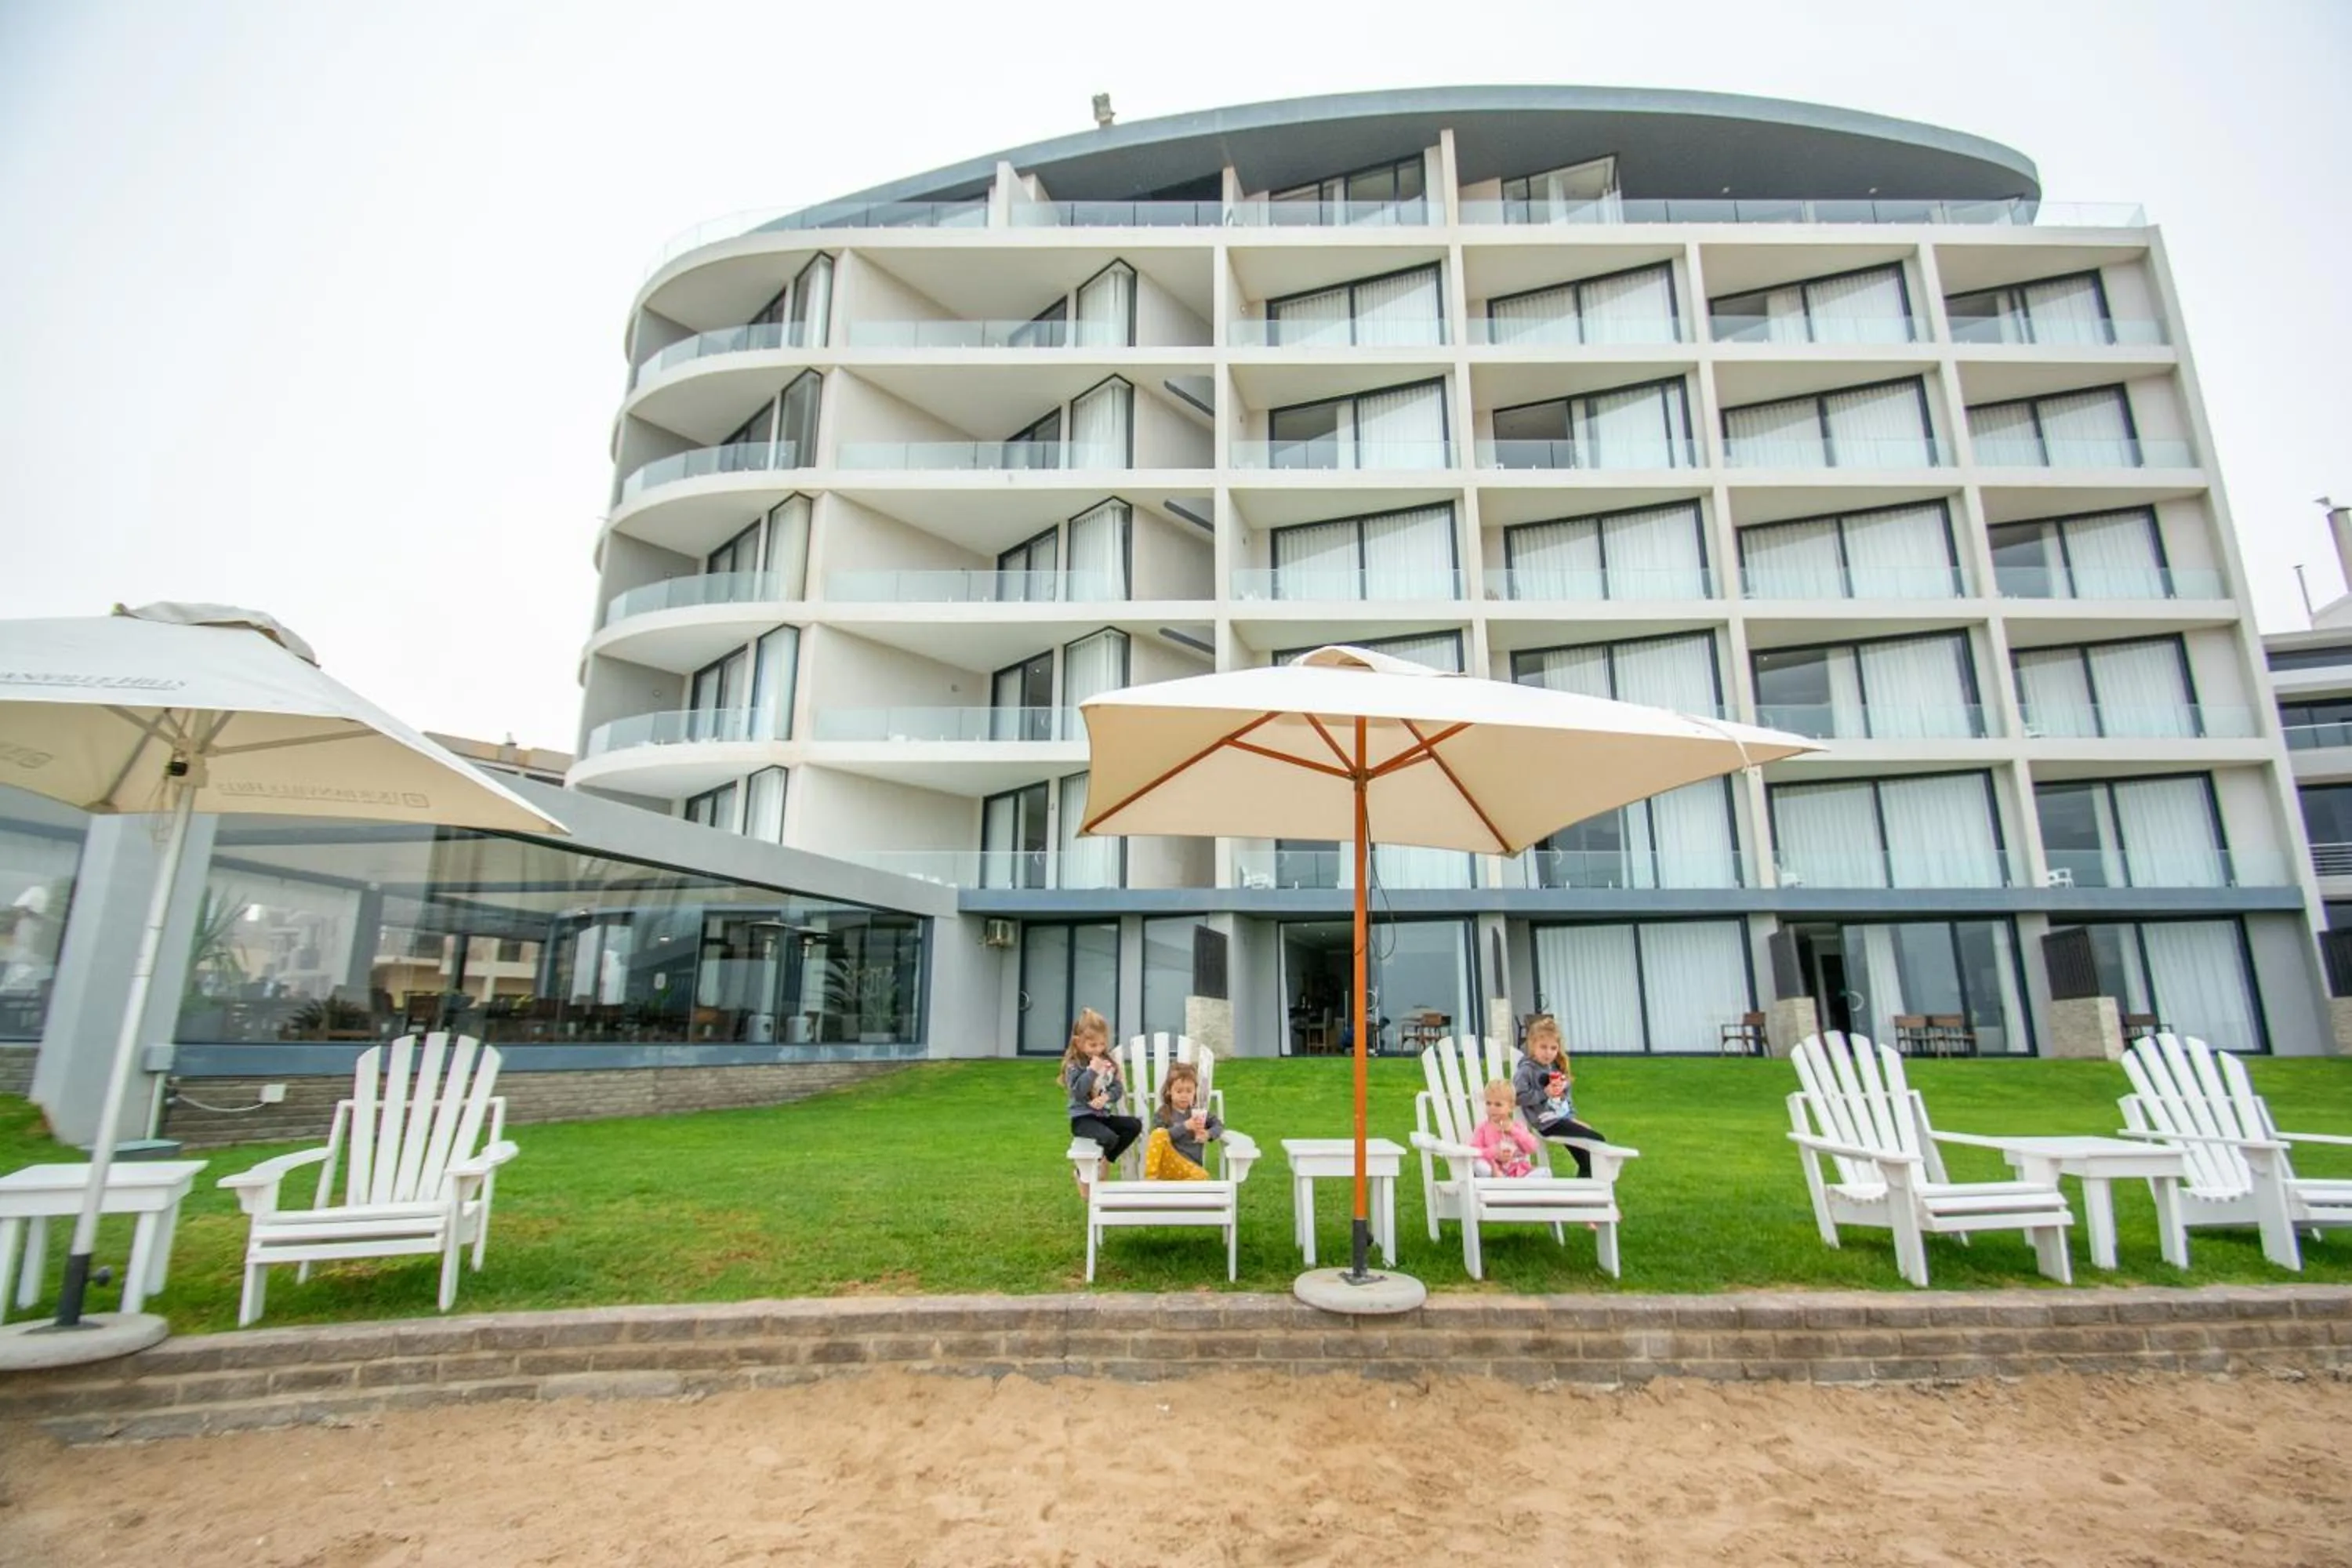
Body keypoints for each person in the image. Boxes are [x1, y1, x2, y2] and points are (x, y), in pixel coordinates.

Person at [1512, 1014, 1606, 1178]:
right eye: (1543, 1047)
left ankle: (1584, 1191)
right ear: (1532, 1045)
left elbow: (1565, 1100)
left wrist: (1571, 1118)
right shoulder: (1527, 1070)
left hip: (1561, 1119)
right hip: (1547, 1123)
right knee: (1597, 1140)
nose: (1548, 1053)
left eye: (1553, 1048)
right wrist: (1544, 1093)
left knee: (1587, 1157)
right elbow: (1519, 1097)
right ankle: (1585, 1190)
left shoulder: (1556, 1069)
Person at [1060, 1007, 1138, 1181]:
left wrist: (1106, 1097)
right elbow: (1078, 1092)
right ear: (1079, 1043)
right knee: (1109, 1137)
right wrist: (1092, 1072)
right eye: (1093, 1045)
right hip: (1083, 1120)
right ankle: (1085, 1172)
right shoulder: (1075, 1065)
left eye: (1102, 1044)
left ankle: (1105, 1160)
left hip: (1102, 1117)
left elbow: (1117, 1088)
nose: (1098, 1049)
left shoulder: (1107, 1062)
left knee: (1133, 1126)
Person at [1143, 1061, 1224, 1181]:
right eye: (1179, 1091)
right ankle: (1150, 1180)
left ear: (1194, 1092)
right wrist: (1185, 1126)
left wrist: (1208, 1134)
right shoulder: (1164, 1113)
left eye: (1189, 1091)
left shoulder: (1198, 1114)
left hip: (1190, 1167)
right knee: (1159, 1133)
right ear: (1169, 1091)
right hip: (1168, 1165)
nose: (1184, 1095)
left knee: (1203, 1176)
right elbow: (1156, 1137)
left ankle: (1178, 1191)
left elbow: (1218, 1124)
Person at [1470, 1079, 1538, 1178]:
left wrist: (1514, 1131)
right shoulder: (1483, 1129)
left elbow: (1532, 1147)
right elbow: (1475, 1151)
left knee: (1545, 1172)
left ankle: (1514, 1183)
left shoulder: (1518, 1127)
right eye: (1488, 1103)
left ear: (1511, 1107)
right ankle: (1502, 1180)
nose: (1491, 1108)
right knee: (1479, 1166)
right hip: (1494, 1171)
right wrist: (1494, 1152)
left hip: (1518, 1172)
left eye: (1498, 1104)